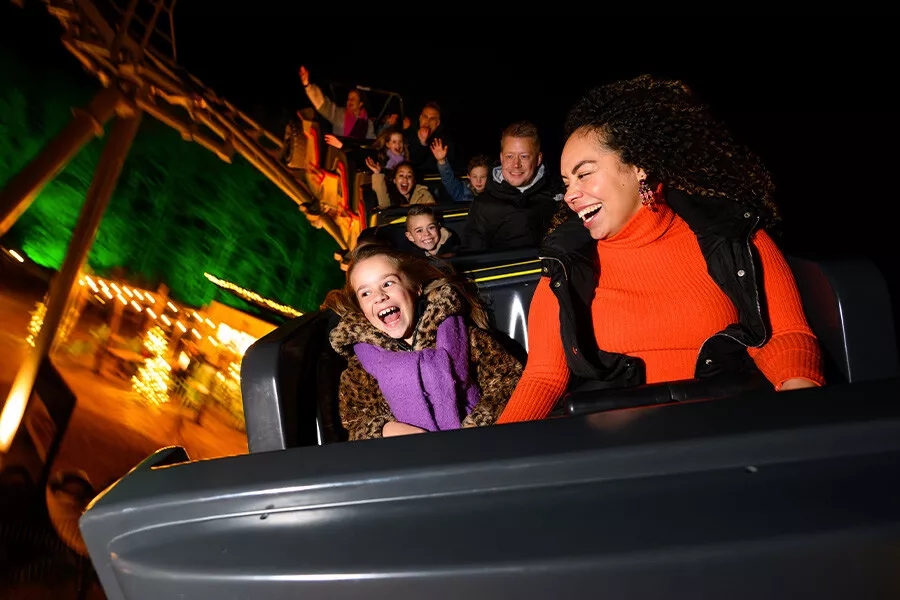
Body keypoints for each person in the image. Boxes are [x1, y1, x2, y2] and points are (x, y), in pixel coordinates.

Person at [497, 74, 825, 424]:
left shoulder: (734, 236)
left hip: (725, 429)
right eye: (566, 182)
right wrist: (497, 450)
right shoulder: (565, 264)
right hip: (617, 446)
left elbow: (784, 336)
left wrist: (801, 415)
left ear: (639, 167)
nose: (571, 195)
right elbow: (543, 378)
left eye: (585, 174)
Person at [323, 245, 524, 440]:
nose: (380, 297)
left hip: (480, 446)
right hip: (410, 458)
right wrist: (384, 430)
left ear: (415, 287)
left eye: (388, 283)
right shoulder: (362, 366)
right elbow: (355, 420)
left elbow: (508, 379)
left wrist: (475, 427)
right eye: (366, 293)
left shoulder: (463, 335)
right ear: (362, 310)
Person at [461, 120, 563, 252]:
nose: (516, 164)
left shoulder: (559, 195)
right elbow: (473, 255)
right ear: (501, 158)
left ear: (538, 159)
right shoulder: (482, 205)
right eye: (509, 156)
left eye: (524, 156)